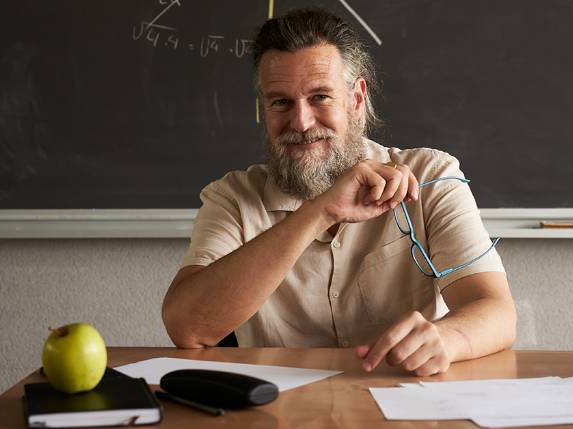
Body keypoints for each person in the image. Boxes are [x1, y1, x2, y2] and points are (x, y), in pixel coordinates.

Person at [162, 8, 516, 376]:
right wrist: (320, 212)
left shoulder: (431, 175)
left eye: (320, 97)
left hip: (408, 400)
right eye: (280, 102)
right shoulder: (231, 198)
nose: (300, 122)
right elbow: (188, 328)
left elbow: (496, 310)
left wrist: (447, 340)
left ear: (357, 99)